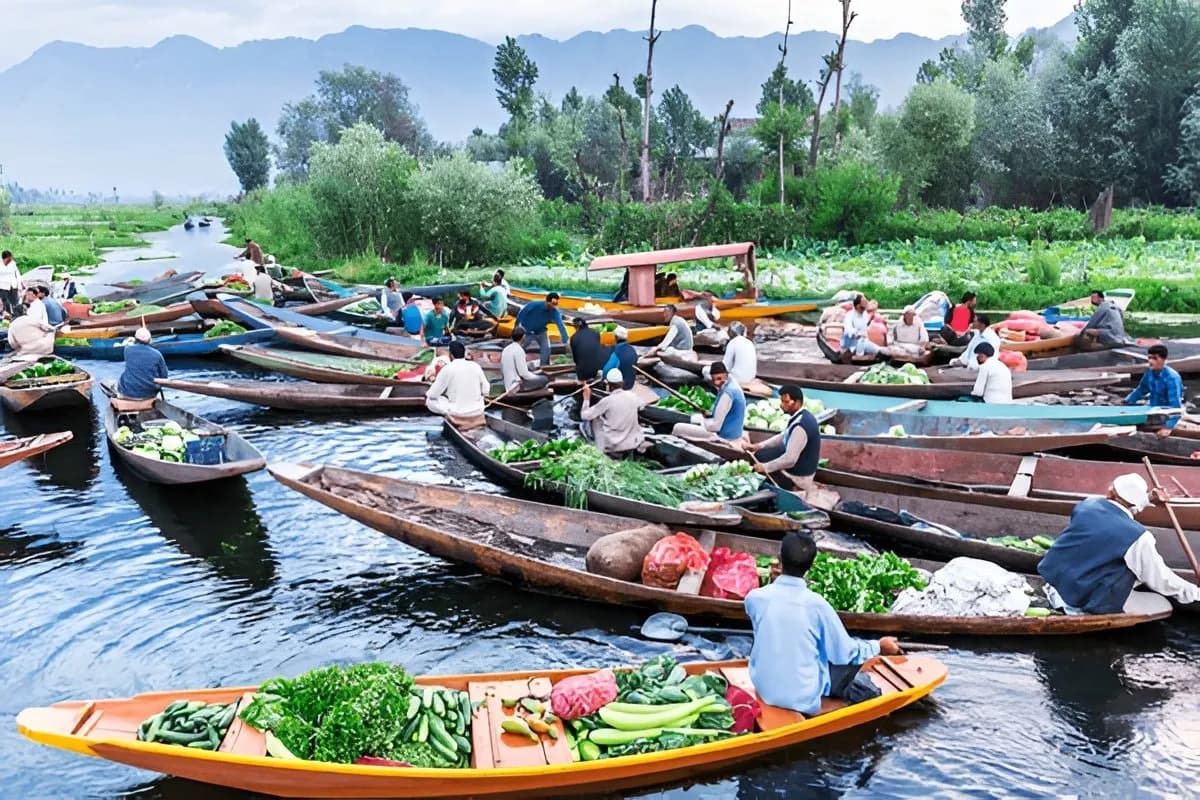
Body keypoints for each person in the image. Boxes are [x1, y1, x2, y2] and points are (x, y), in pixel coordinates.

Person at [746, 532, 901, 716]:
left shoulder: (754, 598)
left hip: (764, 689)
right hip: (803, 700)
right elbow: (845, 653)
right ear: (810, 566)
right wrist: (879, 646)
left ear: (779, 560)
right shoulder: (817, 605)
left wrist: (773, 583)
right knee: (850, 660)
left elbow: (774, 620)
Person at [1038, 474, 1200, 616]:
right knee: (1161, 604)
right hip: (1082, 599)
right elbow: (1160, 579)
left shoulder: (1086, 505)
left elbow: (1126, 504)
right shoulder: (1138, 536)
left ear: (1110, 493)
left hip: (1056, 583)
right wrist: (1194, 592)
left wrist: (1149, 498)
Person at [745, 385, 821, 491]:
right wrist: (759, 446)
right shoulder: (801, 416)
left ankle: (789, 488)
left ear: (797, 403)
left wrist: (765, 467)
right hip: (800, 465)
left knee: (760, 461)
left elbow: (790, 460)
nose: (782, 405)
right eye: (782, 401)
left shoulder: (801, 426)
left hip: (799, 477)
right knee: (760, 454)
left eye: (786, 402)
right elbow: (784, 435)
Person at [671, 361, 745, 446]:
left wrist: (705, 419)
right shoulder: (733, 384)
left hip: (724, 437)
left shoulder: (727, 394)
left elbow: (715, 427)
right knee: (694, 418)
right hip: (730, 430)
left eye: (719, 379)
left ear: (726, 375)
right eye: (714, 380)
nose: (717, 383)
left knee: (677, 427)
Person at [580, 369, 646, 456]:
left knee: (596, 418)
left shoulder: (607, 401)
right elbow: (642, 405)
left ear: (608, 385)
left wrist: (586, 398)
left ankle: (600, 450)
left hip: (614, 444)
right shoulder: (633, 396)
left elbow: (584, 416)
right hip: (633, 442)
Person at [1124, 344, 1183, 437]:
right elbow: (1141, 389)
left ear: (1163, 360)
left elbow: (1175, 405)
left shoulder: (1172, 378)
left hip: (1164, 415)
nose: (1151, 361)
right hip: (1152, 409)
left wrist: (1168, 427)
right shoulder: (1149, 372)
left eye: (1155, 358)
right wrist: (1127, 402)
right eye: (1149, 358)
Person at [425, 340, 490, 423]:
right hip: (477, 409)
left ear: (451, 355)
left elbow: (432, 394)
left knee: (430, 401)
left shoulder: (448, 368)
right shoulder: (475, 366)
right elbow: (486, 390)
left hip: (457, 412)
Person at [515, 292, 569, 367]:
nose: (553, 307)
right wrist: (516, 328)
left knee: (546, 349)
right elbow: (521, 314)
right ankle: (515, 364)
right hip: (527, 332)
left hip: (541, 332)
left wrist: (566, 340)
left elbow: (561, 325)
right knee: (519, 348)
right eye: (552, 304)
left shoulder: (555, 312)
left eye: (555, 304)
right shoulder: (534, 305)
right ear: (547, 301)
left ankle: (544, 367)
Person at [116, 327, 169, 400]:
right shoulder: (157, 354)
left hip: (128, 392)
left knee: (123, 377)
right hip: (149, 393)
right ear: (150, 340)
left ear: (136, 339)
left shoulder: (127, 350)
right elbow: (164, 376)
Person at [500, 327, 549, 393]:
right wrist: (536, 376)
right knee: (544, 379)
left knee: (537, 374)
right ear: (523, 337)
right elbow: (523, 374)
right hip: (516, 386)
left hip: (508, 384)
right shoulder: (519, 350)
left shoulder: (505, 349)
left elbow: (502, 370)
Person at [838, 294, 878, 361]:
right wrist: (857, 333)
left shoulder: (865, 315)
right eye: (864, 302)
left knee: (879, 350)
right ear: (858, 305)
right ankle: (855, 356)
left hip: (864, 342)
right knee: (860, 341)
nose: (866, 304)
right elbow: (849, 330)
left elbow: (865, 331)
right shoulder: (850, 315)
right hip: (851, 342)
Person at [0, 251, 20, 317]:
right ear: (5, 258)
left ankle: (16, 315)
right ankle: (8, 315)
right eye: (9, 258)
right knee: (6, 302)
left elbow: (17, 273)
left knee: (15, 302)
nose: (11, 259)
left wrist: (20, 284)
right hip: (3, 286)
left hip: (13, 285)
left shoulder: (13, 263)